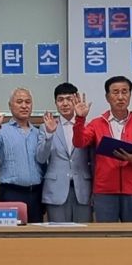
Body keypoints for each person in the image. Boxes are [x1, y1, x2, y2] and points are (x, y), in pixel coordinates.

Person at [73, 76, 132, 222]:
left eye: (125, 92)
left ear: (130, 95)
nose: (121, 97)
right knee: (107, 233)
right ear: (107, 97)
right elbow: (79, 143)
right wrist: (80, 119)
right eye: (115, 92)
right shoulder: (96, 123)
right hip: (104, 190)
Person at [0, 88, 44, 223]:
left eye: (28, 102)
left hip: (35, 194)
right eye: (19, 102)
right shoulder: (1, 130)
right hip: (11, 193)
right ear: (10, 105)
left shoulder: (38, 133)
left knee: (36, 234)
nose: (24, 106)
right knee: (12, 233)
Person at [36, 83, 92, 223]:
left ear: (76, 100)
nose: (65, 103)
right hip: (56, 190)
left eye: (69, 99)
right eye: (60, 100)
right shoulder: (46, 126)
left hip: (83, 188)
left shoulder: (87, 126)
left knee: (83, 232)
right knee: (58, 233)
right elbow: (41, 158)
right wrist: (49, 134)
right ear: (55, 103)